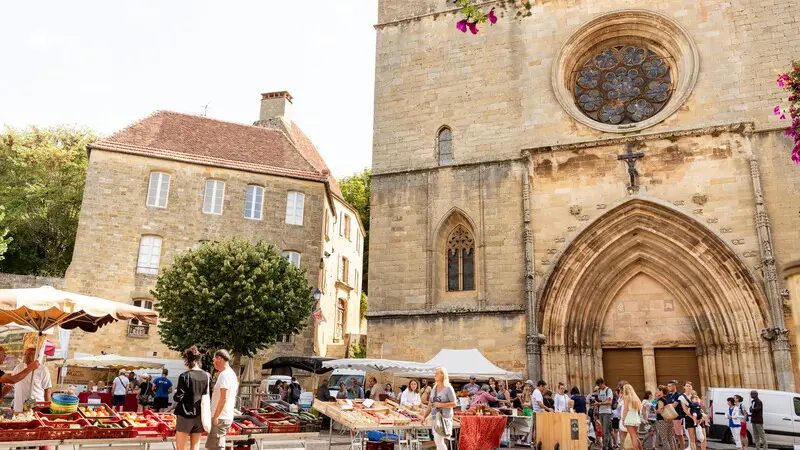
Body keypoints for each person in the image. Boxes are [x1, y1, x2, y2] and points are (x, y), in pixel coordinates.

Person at [173, 345, 209, 450]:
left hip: (185, 414)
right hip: (200, 415)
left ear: (187, 361)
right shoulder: (207, 376)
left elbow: (178, 397)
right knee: (195, 447)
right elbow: (207, 395)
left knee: (181, 447)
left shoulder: (185, 376)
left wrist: (176, 393)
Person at [206, 350, 239, 450]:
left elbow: (223, 398)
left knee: (216, 447)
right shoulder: (231, 374)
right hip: (224, 416)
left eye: (214, 359)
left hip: (220, 417)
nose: (213, 362)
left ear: (219, 358)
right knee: (216, 445)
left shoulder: (224, 375)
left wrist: (215, 416)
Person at [7, 346, 52, 412]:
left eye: (31, 354)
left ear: (37, 357)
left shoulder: (42, 369)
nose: (27, 356)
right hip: (19, 405)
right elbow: (9, 385)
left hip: (35, 404)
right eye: (25, 354)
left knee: (31, 419)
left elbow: (47, 389)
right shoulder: (19, 367)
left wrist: (48, 408)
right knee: (17, 419)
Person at [422, 367, 457, 450]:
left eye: (437, 373)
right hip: (435, 418)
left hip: (444, 418)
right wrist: (424, 416)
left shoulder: (448, 388)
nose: (435, 375)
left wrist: (441, 405)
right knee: (438, 441)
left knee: (438, 441)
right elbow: (430, 404)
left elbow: (454, 403)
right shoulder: (434, 388)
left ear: (442, 375)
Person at [655, 385, 677, 450]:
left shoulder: (660, 400)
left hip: (662, 421)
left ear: (661, 391)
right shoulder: (667, 398)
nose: (657, 392)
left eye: (658, 390)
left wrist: (655, 411)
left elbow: (660, 410)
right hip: (670, 420)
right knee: (670, 439)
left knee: (664, 439)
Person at [622, 384, 643, 450]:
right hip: (636, 417)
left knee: (633, 436)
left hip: (629, 418)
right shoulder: (635, 397)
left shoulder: (626, 397)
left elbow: (625, 409)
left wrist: (623, 419)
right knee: (634, 436)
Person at [596, 378, 615, 450]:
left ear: (603, 383)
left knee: (605, 431)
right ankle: (610, 447)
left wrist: (600, 403)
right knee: (606, 430)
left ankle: (605, 447)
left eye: (600, 385)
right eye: (598, 386)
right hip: (601, 412)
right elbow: (600, 400)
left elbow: (610, 402)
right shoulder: (600, 391)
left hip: (607, 412)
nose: (600, 387)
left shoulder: (608, 390)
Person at [667, 381, 686, 450]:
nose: (668, 388)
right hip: (670, 418)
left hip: (677, 418)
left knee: (679, 435)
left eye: (670, 386)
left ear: (674, 386)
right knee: (671, 436)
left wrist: (667, 407)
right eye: (668, 386)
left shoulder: (678, 395)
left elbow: (674, 405)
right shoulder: (668, 396)